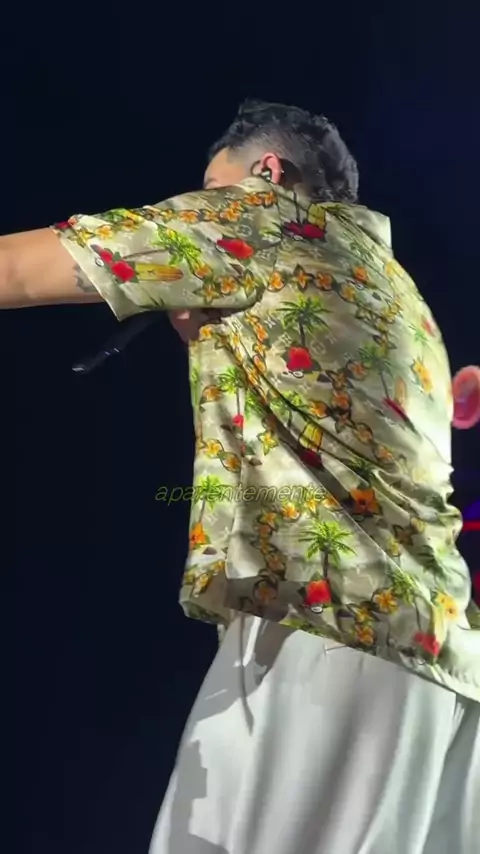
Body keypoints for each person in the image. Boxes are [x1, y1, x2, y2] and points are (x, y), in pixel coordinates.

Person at [3, 100, 479, 853]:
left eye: (210, 190)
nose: (196, 213)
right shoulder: (390, 287)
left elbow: (16, 271)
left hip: (336, 633)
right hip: (428, 657)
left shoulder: (262, 221)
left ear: (268, 173)